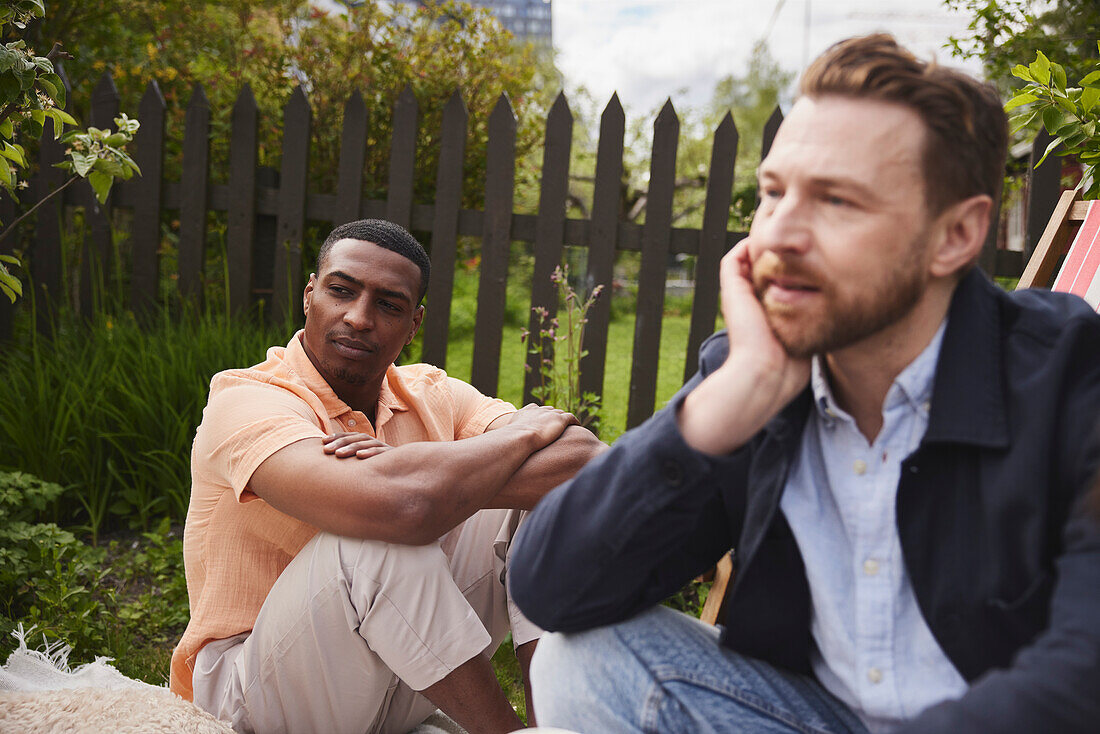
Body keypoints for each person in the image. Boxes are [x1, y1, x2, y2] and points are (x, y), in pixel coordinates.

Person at [509, 34, 1100, 734]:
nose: (778, 234)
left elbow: (1082, 672)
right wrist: (721, 409)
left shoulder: (1069, 375)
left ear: (956, 236)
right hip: (821, 717)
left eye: (837, 201)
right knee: (582, 657)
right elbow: (552, 590)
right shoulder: (758, 376)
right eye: (772, 192)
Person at [169, 218, 606, 734]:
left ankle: (552, 724)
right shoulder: (248, 402)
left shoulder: (432, 392)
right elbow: (401, 511)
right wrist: (520, 437)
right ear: (310, 295)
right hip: (254, 692)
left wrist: (405, 471)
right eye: (341, 291)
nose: (358, 318)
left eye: (389, 305)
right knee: (377, 539)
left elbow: (588, 462)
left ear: (413, 324)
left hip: (393, 674)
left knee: (555, 502)